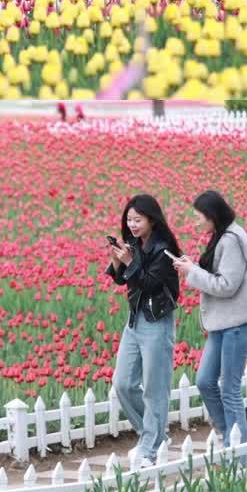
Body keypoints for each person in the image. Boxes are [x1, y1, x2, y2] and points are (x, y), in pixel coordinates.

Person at [171, 191, 247, 449]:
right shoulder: (221, 237)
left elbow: (227, 285)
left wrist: (192, 272)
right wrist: (193, 267)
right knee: (204, 381)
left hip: (237, 325)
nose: (196, 222)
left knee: (229, 388)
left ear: (213, 216)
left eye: (199, 217)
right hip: (222, 324)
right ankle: (234, 438)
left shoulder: (232, 239)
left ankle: (239, 453)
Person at [104, 194, 181, 468]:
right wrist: (117, 260)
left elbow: (148, 284)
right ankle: (156, 436)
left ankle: (150, 449)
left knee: (154, 390)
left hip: (157, 322)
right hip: (134, 320)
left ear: (151, 219)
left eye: (138, 219)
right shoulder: (133, 244)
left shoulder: (164, 248)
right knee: (123, 383)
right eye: (129, 219)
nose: (132, 225)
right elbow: (119, 279)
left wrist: (129, 263)